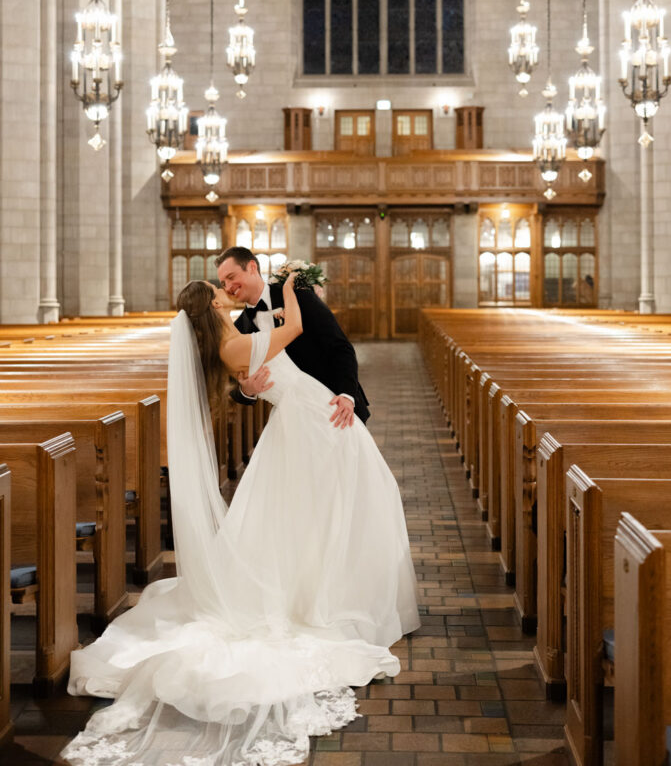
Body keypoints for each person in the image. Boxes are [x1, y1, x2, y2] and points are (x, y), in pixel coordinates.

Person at [62, 269, 419, 766]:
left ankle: (324, 584)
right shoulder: (239, 340)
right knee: (318, 510)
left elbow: (314, 349)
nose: (225, 290)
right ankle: (321, 594)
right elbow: (289, 333)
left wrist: (274, 363)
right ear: (210, 308)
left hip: (312, 415)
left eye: (229, 281)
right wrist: (292, 291)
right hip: (305, 423)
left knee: (323, 508)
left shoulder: (237, 336)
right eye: (218, 289)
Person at [217, 246, 369, 430]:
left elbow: (339, 346)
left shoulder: (297, 295)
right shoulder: (239, 329)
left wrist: (346, 395)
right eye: (223, 283)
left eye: (231, 277)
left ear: (251, 267)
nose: (228, 287)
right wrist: (247, 390)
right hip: (292, 418)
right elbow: (232, 384)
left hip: (334, 404)